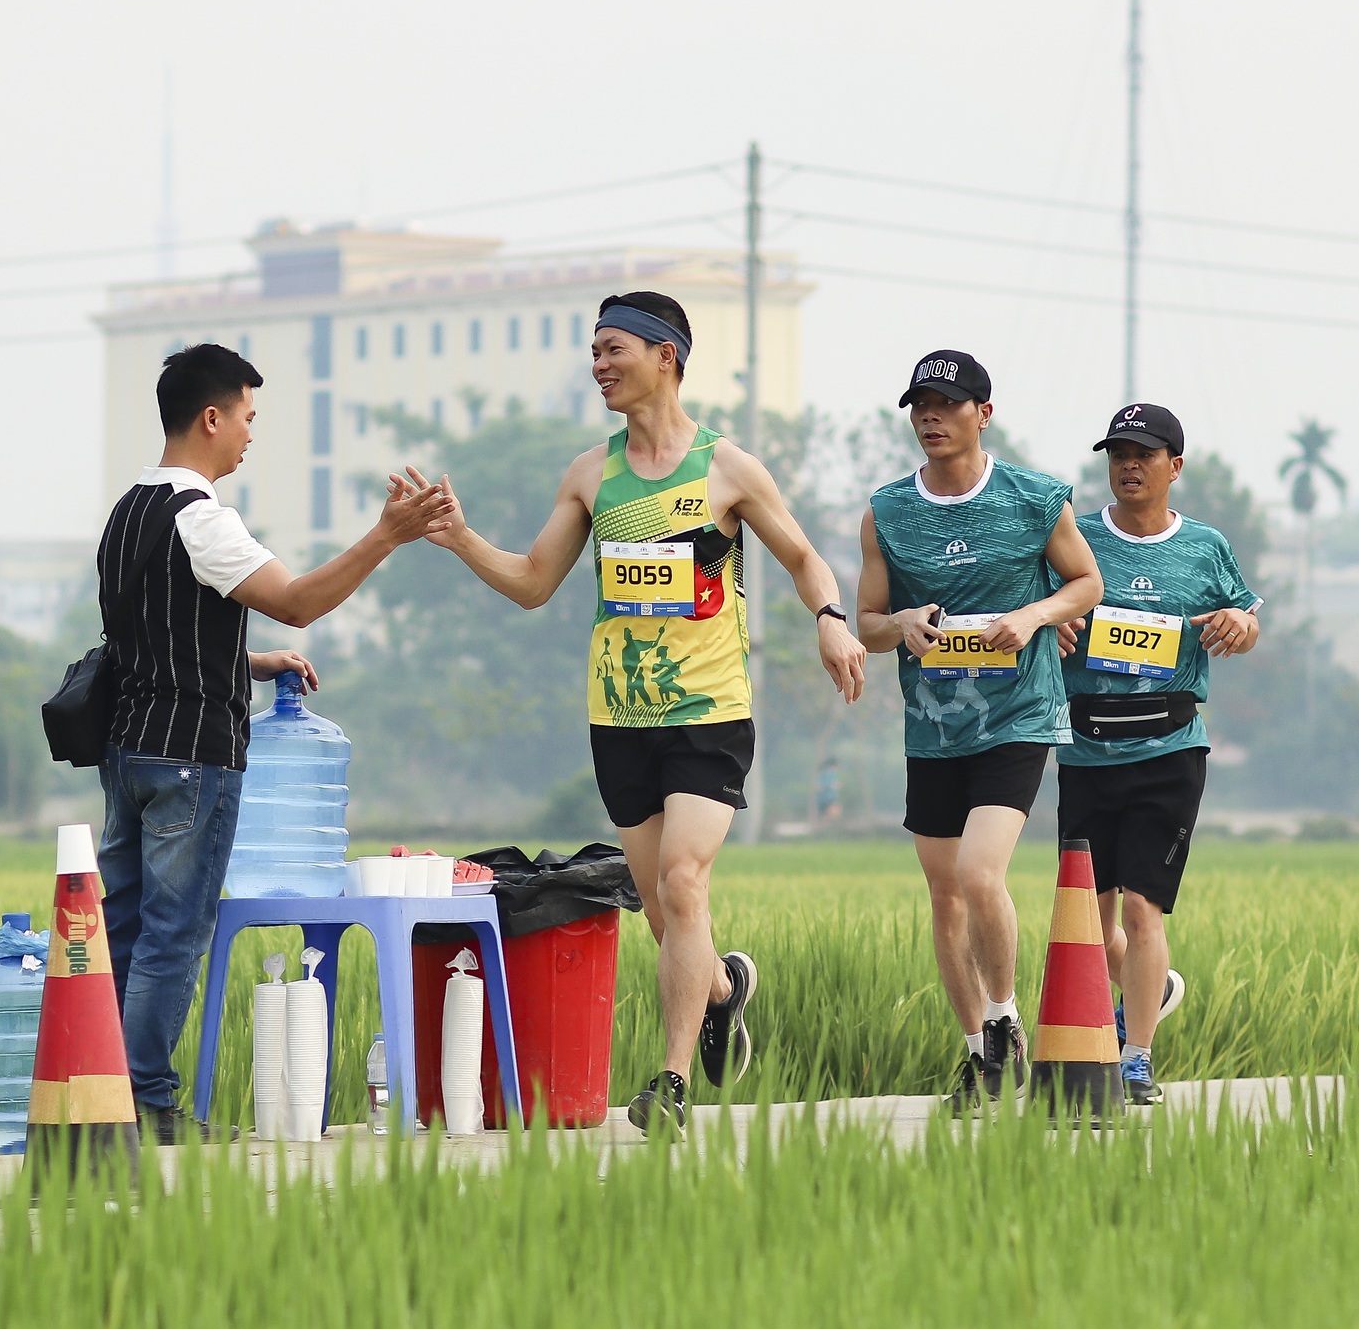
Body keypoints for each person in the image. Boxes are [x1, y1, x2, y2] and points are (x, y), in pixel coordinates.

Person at [407, 292, 865, 1135]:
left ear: (667, 356)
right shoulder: (591, 474)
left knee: (686, 883)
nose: (599, 365)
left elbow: (804, 557)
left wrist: (830, 621)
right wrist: (462, 538)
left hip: (709, 710)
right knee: (662, 912)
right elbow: (535, 583)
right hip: (619, 717)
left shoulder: (727, 468)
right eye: (593, 351)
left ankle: (672, 1081)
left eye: (614, 348)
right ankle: (723, 989)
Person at [98, 342, 455, 1143]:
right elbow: (297, 601)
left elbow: (150, 638)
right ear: (212, 417)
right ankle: (149, 1103)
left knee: (121, 932)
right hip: (194, 757)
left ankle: (101, 1100)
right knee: (173, 936)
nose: (252, 435)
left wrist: (250, 661)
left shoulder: (125, 515)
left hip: (128, 755)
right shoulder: (202, 520)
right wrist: (387, 535)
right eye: (249, 418)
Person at [855, 350, 1103, 1113]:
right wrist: (898, 623)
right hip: (933, 729)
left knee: (978, 873)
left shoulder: (1034, 498)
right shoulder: (886, 512)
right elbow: (865, 625)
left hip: (1018, 718)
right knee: (944, 896)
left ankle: (1004, 1019)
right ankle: (979, 1057)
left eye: (946, 404)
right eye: (919, 405)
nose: (929, 417)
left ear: (982, 414)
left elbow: (1086, 582)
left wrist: (1033, 617)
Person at [1053, 403, 1260, 1106]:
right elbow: (1039, 611)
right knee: (1092, 918)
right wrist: (1052, 629)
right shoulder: (1074, 539)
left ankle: (1134, 1058)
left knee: (1143, 912)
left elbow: (1246, 617)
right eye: (1118, 454)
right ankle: (1154, 988)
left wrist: (1241, 621)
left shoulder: (1204, 547)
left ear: (1175, 466)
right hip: (1084, 747)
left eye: (1144, 454)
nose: (1129, 466)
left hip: (1170, 749)